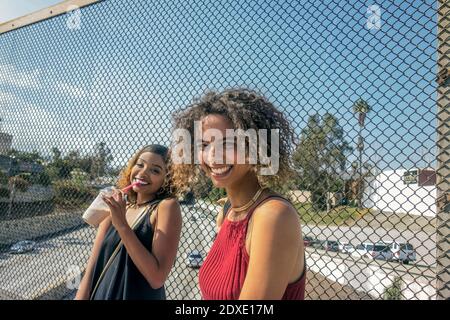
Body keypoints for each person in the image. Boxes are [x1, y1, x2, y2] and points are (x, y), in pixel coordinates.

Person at [172, 88, 306, 300]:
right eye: (204, 145)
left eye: (228, 143)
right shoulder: (228, 211)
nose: (212, 156)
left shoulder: (273, 216)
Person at [75, 144, 182, 300]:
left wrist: (122, 225)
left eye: (155, 170)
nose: (143, 173)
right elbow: (94, 261)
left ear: (167, 179)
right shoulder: (117, 206)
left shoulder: (166, 207)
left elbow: (157, 278)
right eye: (140, 164)